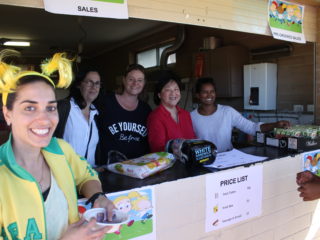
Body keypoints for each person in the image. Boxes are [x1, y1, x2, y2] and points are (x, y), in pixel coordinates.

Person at [0, 50, 115, 240]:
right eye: (30, 108)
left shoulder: (60, 149)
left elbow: (87, 175)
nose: (44, 119)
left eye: (51, 108)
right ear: (7, 114)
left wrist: (98, 197)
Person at [191, 77, 290, 153]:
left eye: (212, 91)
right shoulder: (191, 117)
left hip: (227, 159)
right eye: (204, 92)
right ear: (198, 95)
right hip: (203, 163)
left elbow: (252, 127)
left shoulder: (227, 112)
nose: (209, 95)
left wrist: (276, 124)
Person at [96, 64, 151, 163]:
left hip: (137, 168)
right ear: (124, 80)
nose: (135, 83)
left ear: (144, 83)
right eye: (131, 79)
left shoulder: (146, 109)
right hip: (109, 167)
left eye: (140, 80)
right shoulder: (105, 102)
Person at [54, 69, 102, 168]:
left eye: (97, 83)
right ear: (79, 84)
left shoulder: (96, 113)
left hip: (89, 177)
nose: (94, 87)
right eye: (89, 82)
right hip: (65, 174)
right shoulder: (64, 107)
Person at [147, 70, 196, 152]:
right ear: (159, 95)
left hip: (188, 161)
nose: (173, 93)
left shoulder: (186, 114)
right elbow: (157, 148)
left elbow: (192, 140)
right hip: (168, 163)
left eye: (176, 89)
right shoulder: (155, 117)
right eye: (168, 90)